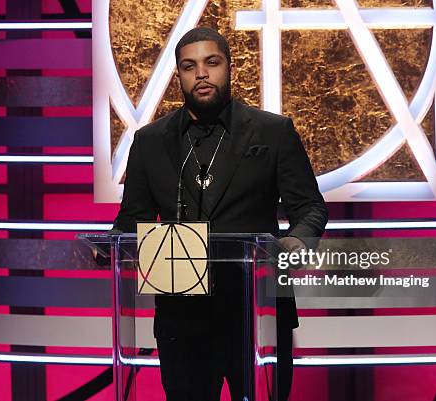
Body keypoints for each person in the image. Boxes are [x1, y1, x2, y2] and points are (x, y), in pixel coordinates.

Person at [111, 27, 328, 401]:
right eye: (189, 66)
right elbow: (131, 220)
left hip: (256, 312)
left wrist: (295, 241)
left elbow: (310, 206)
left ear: (230, 67)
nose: (201, 74)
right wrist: (109, 246)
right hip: (181, 314)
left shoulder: (272, 132)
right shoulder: (149, 142)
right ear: (178, 75)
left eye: (211, 63)